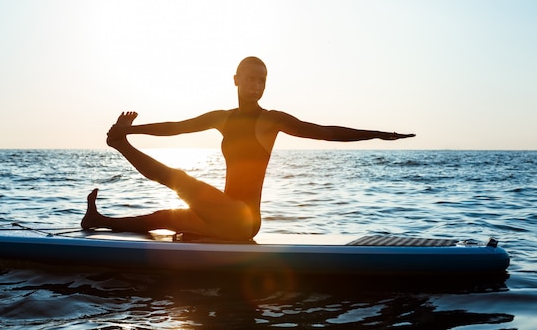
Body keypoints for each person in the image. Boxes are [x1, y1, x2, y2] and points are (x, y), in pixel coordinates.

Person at [81, 57, 415, 241]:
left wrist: (379, 134)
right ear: (236, 79)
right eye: (251, 78)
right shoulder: (221, 118)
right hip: (220, 216)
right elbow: (177, 127)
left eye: (262, 80)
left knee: (179, 179)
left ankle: (119, 145)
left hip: (244, 221)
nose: (256, 85)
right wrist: (134, 128)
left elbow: (325, 132)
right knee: (165, 217)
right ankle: (97, 220)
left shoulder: (271, 120)